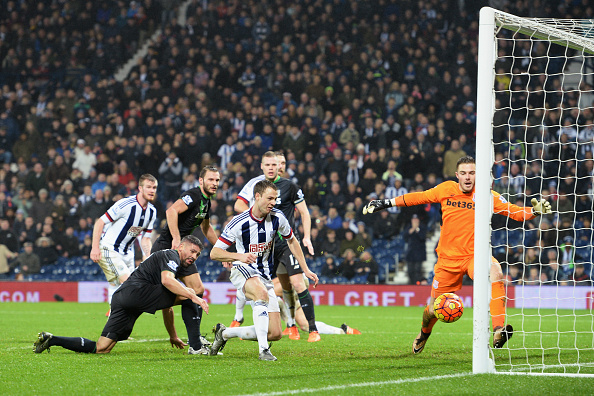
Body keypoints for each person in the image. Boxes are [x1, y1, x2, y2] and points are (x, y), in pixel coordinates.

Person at [362, 155, 552, 353]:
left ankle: (498, 329)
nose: (468, 177)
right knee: (433, 310)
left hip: (474, 256)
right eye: (463, 173)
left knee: (495, 272)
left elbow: (514, 212)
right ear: (457, 175)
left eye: (471, 173)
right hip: (447, 260)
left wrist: (535, 211)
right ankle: (424, 333)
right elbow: (418, 197)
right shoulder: (446, 189)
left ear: (477, 175)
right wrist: (386, 202)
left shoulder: (488, 196)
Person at [34, 235, 209, 355]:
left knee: (102, 348)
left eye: (198, 254)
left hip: (122, 297)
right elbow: (167, 281)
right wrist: (194, 297)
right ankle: (196, 346)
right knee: (190, 292)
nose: (194, 256)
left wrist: (173, 335)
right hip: (136, 293)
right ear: (180, 247)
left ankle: (52, 339)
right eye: (192, 251)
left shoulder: (168, 263)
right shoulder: (171, 255)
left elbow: (167, 306)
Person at [209, 180, 319, 361]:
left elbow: (292, 240)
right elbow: (215, 253)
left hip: (264, 275)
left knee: (274, 332)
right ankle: (263, 351)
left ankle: (225, 333)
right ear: (257, 197)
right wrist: (239, 256)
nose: (273, 202)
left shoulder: (278, 217)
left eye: (275, 199)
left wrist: (305, 269)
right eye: (270, 198)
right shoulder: (238, 222)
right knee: (260, 294)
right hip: (242, 269)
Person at [231, 151, 320, 342]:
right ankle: (291, 326)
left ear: (279, 166)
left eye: (275, 165)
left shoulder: (289, 186)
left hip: (288, 243)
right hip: (269, 247)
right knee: (285, 287)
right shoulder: (257, 186)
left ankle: (313, 330)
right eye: (268, 165)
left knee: (297, 283)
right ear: (262, 166)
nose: (272, 168)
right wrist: (255, 212)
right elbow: (238, 206)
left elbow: (305, 212)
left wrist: (306, 237)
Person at [150, 165, 221, 354]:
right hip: (167, 248)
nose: (215, 183)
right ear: (201, 181)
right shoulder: (194, 195)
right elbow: (171, 211)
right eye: (211, 179)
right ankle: (150, 304)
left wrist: (221, 250)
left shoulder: (206, 203)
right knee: (170, 293)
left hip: (183, 251)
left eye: (217, 180)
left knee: (197, 290)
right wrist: (175, 237)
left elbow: (206, 228)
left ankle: (195, 341)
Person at [90, 174, 158, 315]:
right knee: (131, 284)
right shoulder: (125, 204)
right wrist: (95, 247)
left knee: (116, 287)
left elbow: (145, 239)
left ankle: (113, 329)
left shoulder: (152, 211)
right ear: (140, 188)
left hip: (128, 253)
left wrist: (149, 257)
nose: (152, 190)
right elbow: (100, 222)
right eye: (148, 187)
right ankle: (116, 310)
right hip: (109, 248)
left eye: (154, 188)